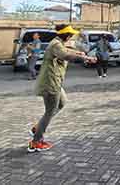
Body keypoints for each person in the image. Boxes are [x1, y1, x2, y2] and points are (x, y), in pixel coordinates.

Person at [28, 24, 96, 153]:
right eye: (71, 36)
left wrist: (79, 52)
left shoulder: (58, 43)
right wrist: (85, 58)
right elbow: (66, 55)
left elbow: (67, 51)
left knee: (62, 103)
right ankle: (36, 141)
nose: (71, 38)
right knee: (50, 111)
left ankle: (38, 128)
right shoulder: (56, 45)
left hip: (56, 82)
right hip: (50, 83)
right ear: (67, 36)